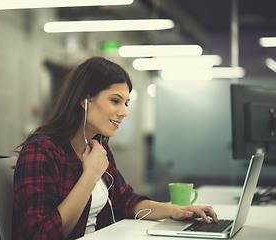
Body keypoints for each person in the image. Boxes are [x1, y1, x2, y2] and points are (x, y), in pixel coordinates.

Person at [12, 56, 218, 240]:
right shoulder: (41, 150)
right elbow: (40, 234)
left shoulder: (98, 147)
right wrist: (91, 174)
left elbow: (123, 201)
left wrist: (175, 210)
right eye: (115, 101)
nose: (124, 112)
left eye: (126, 103)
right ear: (85, 99)